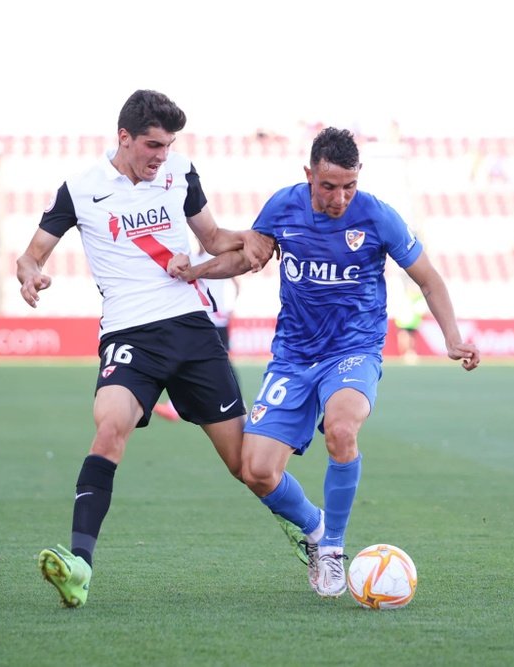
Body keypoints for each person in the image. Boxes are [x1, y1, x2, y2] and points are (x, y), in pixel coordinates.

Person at [169, 127, 480, 598]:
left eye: (349, 186)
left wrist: (453, 339)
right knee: (255, 470)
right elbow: (247, 258)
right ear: (309, 175)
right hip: (293, 356)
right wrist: (195, 272)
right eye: (329, 186)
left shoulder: (378, 216)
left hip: (352, 351)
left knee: (341, 429)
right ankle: (315, 531)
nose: (340, 198)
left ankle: (333, 550)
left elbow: (430, 280)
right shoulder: (282, 206)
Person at [16, 89, 275, 608]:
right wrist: (31, 276)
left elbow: (212, 238)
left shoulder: (181, 171)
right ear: (125, 138)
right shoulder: (80, 189)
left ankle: (310, 534)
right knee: (109, 426)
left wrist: (256, 236)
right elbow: (31, 255)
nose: (162, 155)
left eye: (168, 145)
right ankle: (79, 566)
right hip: (128, 333)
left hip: (189, 327)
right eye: (153, 145)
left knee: (245, 465)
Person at [154, 238, 242, 421]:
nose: (200, 242)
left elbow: (236, 282)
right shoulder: (191, 258)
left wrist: (232, 306)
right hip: (201, 316)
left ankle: (235, 402)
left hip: (216, 317)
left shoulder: (215, 258)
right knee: (197, 359)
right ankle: (176, 405)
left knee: (220, 361)